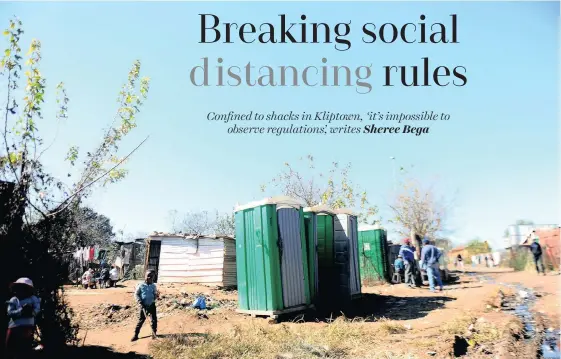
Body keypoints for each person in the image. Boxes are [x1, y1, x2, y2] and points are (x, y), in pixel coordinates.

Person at [6, 278, 41, 359]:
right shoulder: (14, 300)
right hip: (14, 328)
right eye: (19, 288)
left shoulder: (33, 299)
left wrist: (30, 312)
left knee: (25, 350)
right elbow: (9, 312)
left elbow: (37, 310)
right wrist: (21, 311)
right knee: (11, 350)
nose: (21, 290)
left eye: (24, 288)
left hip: (27, 328)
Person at [132, 270, 159, 341]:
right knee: (141, 320)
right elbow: (136, 294)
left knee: (154, 320)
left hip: (152, 305)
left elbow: (155, 294)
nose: (149, 277)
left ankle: (154, 334)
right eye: (148, 276)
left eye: (151, 276)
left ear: (153, 278)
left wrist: (156, 296)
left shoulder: (153, 286)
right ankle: (136, 335)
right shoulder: (141, 285)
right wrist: (139, 301)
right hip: (143, 306)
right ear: (145, 276)